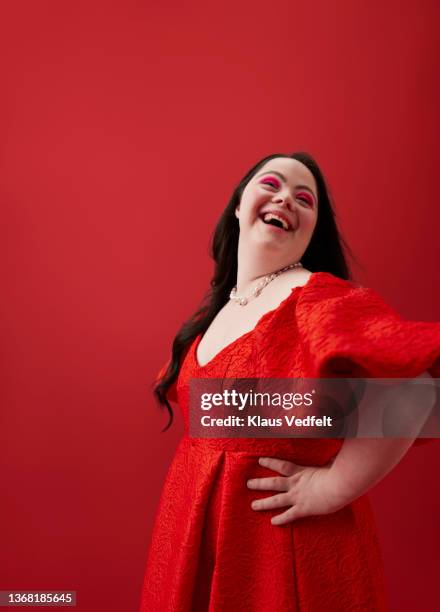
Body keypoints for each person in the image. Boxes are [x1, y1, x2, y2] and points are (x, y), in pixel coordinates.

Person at [139, 152, 440, 611]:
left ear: (311, 230)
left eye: (305, 199)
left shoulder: (316, 296)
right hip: (192, 536)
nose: (286, 199)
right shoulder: (217, 311)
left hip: (279, 552)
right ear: (239, 205)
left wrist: (334, 487)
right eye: (272, 184)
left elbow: (415, 386)